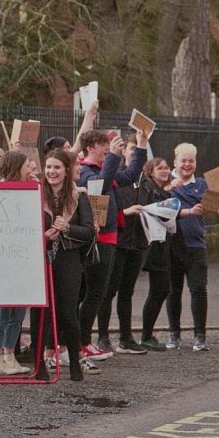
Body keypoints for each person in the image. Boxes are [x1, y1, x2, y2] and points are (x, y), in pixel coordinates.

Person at [75, 128, 147, 362]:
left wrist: (142, 146)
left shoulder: (104, 169)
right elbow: (100, 187)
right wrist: (115, 157)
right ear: (89, 148)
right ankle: (82, 343)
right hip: (98, 239)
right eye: (102, 145)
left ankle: (81, 342)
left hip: (111, 238)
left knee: (97, 293)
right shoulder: (85, 172)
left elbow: (129, 176)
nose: (107, 148)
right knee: (94, 294)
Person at [34, 149, 95, 382]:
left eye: (57, 167)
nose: (52, 172)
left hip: (68, 258)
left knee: (69, 312)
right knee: (41, 312)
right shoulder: (36, 194)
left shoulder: (79, 196)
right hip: (42, 257)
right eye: (48, 167)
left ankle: (75, 364)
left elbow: (89, 232)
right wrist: (45, 236)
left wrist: (67, 228)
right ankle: (39, 364)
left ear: (66, 171)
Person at [166, 143, 219, 352]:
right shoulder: (165, 183)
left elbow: (218, 200)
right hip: (172, 245)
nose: (187, 165)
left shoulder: (202, 184)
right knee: (173, 291)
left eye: (191, 161)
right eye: (183, 160)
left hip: (196, 246)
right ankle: (174, 334)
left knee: (199, 290)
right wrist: (170, 188)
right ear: (175, 162)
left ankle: (200, 336)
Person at [99, 135, 152, 356]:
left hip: (137, 242)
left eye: (137, 149)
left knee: (127, 292)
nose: (133, 152)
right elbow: (104, 204)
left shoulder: (145, 181)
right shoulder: (114, 176)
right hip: (118, 241)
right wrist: (126, 212)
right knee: (108, 290)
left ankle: (126, 337)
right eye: (130, 148)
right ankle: (102, 336)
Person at [0, 151, 32, 376]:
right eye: (26, 166)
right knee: (2, 309)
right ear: (16, 167)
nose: (30, 170)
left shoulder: (27, 188)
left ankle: (9, 355)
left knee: (18, 310)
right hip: (2, 257)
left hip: (21, 256)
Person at [139, 158, 173, 351]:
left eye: (167, 167)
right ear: (150, 171)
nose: (164, 170)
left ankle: (147, 334)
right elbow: (159, 212)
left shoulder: (164, 191)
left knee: (162, 289)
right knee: (159, 289)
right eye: (160, 168)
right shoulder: (150, 189)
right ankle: (146, 335)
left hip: (162, 245)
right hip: (153, 246)